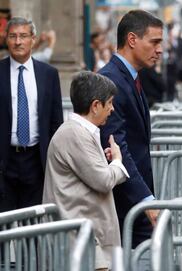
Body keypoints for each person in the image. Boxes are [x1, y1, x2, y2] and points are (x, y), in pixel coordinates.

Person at [43, 71, 128, 269]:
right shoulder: (75, 134)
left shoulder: (78, 132)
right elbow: (103, 180)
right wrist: (117, 161)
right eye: (110, 103)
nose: (112, 109)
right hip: (81, 243)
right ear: (96, 106)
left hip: (87, 240)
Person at [98, 9, 162, 246]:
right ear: (132, 40)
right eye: (154, 42)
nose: (160, 50)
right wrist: (145, 199)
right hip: (124, 203)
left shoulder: (130, 77)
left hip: (133, 201)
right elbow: (117, 147)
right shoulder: (111, 80)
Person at [0, 17, 63, 212]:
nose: (18, 41)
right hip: (4, 162)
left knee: (33, 227)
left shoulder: (48, 74)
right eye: (13, 36)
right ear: (6, 39)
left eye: (23, 36)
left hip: (36, 162)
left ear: (33, 39)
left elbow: (56, 122)